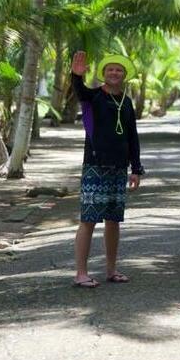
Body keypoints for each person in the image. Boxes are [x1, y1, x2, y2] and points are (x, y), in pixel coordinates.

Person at [71, 50, 144, 288]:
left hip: (119, 167)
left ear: (124, 75)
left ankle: (111, 270)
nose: (114, 73)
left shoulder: (127, 101)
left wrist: (136, 168)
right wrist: (76, 75)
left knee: (113, 220)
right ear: (103, 73)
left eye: (119, 70)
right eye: (110, 69)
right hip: (95, 165)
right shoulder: (93, 96)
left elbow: (132, 136)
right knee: (89, 219)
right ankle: (81, 273)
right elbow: (79, 90)